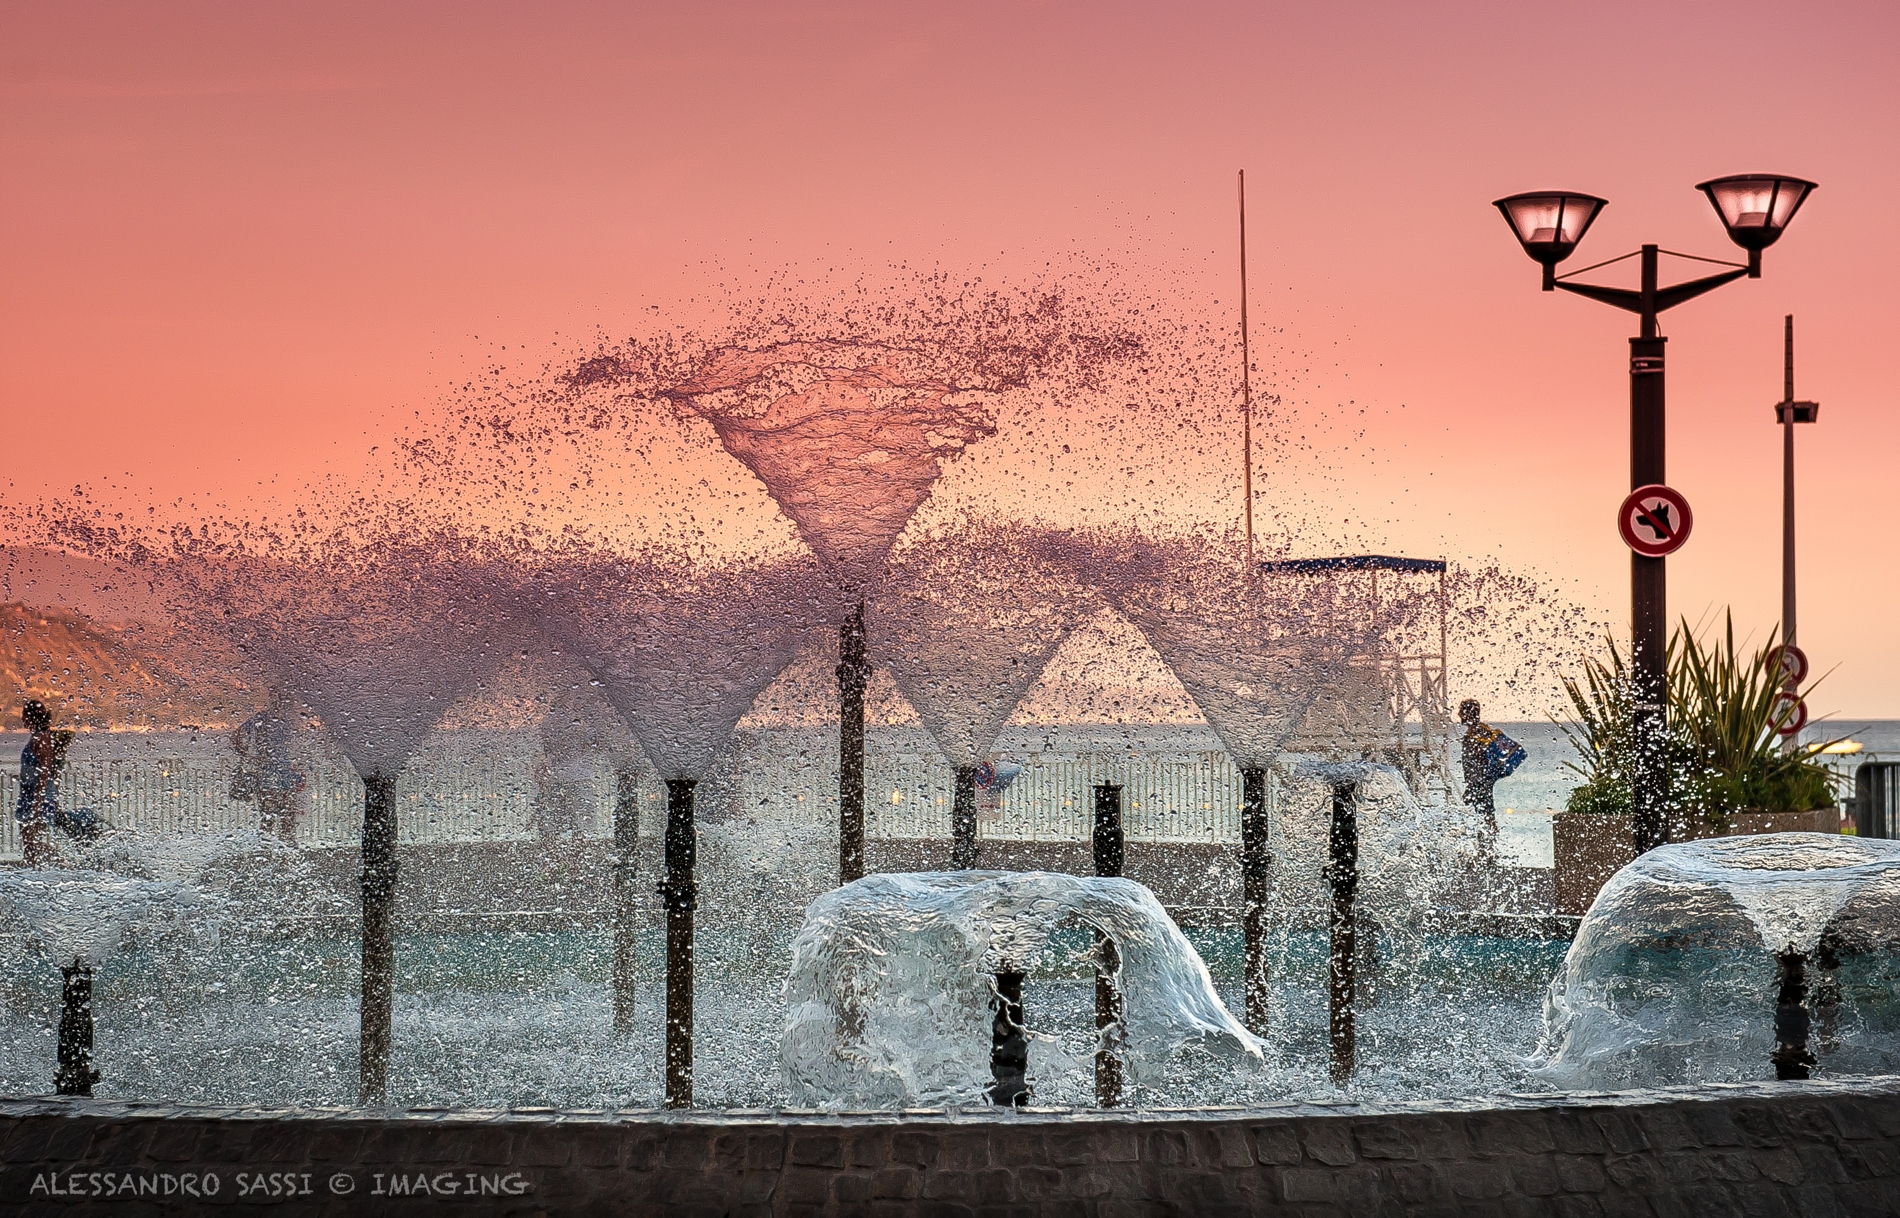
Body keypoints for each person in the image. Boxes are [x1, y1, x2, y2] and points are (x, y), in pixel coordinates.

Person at [231, 705, 305, 843]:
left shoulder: (287, 719)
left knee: (285, 816)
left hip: (283, 773)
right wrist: (246, 754)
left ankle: (280, 848)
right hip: (269, 773)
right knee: (271, 816)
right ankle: (272, 848)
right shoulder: (262, 718)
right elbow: (237, 735)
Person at [1460, 699, 1525, 831]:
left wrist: (1478, 781)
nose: (1459, 714)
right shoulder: (1477, 731)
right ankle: (1486, 845)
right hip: (1478, 781)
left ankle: (1487, 846)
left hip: (1480, 781)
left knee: (1485, 815)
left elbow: (1482, 758)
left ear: (1469, 713)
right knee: (1482, 814)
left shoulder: (1479, 733)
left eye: (1462, 711)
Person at [15, 700, 62, 867]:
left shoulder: (42, 737)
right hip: (29, 795)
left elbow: (44, 772)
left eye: (24, 715)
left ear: (31, 717)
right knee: (29, 840)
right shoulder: (36, 736)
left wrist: (37, 802)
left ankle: (62, 863)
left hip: (36, 796)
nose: (22, 718)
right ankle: (33, 868)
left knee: (31, 840)